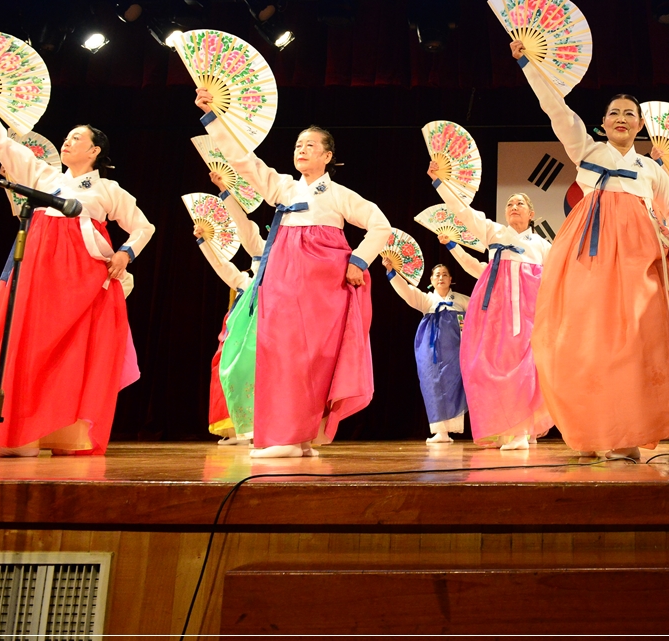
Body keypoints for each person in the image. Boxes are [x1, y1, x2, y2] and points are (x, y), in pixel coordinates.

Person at [511, 38, 669, 460]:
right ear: (603, 122)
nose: (622, 118)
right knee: (589, 339)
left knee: (634, 342)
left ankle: (626, 431)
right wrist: (527, 64)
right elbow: (556, 109)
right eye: (614, 112)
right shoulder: (587, 151)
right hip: (589, 255)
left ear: (640, 126)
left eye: (630, 113)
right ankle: (594, 427)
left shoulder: (650, 169)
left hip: (641, 259)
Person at [0, 76, 155, 456]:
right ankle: (16, 435)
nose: (67, 141)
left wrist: (124, 254)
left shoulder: (106, 190)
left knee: (69, 356)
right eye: (67, 136)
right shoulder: (42, 175)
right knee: (22, 346)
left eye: (77, 138)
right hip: (34, 273)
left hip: (81, 282)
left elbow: (143, 226)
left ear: (96, 150)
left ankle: (63, 433)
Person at [196, 89, 390, 458]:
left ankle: (298, 435)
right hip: (283, 279)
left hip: (322, 287)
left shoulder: (338, 195)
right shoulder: (283, 187)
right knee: (279, 352)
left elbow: (380, 226)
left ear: (328, 156)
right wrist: (213, 119)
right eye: (299, 144)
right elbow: (243, 161)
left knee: (311, 357)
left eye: (311, 145)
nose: (301, 149)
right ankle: (291, 437)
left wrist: (358, 262)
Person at [431, 168, 553, 450]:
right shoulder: (495, 233)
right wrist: (440, 183)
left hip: (529, 313)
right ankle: (508, 426)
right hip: (497, 314)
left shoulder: (544, 247)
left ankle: (523, 430)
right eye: (509, 203)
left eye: (520, 203)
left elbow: (553, 280)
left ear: (531, 214)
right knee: (491, 366)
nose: (513, 207)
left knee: (526, 367)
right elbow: (463, 211)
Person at [195, 171, 265, 445]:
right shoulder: (247, 279)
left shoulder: (287, 263)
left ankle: (263, 427)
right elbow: (242, 231)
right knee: (228, 368)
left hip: (274, 317)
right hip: (245, 323)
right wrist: (225, 192)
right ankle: (237, 427)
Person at [387, 262, 469, 444]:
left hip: (454, 350)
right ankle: (441, 432)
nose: (441, 278)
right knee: (433, 386)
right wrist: (392, 271)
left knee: (453, 386)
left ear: (451, 280)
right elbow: (406, 291)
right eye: (437, 275)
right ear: (431, 280)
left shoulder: (462, 300)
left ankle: (452, 428)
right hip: (430, 350)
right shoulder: (426, 299)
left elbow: (479, 311)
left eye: (445, 274)